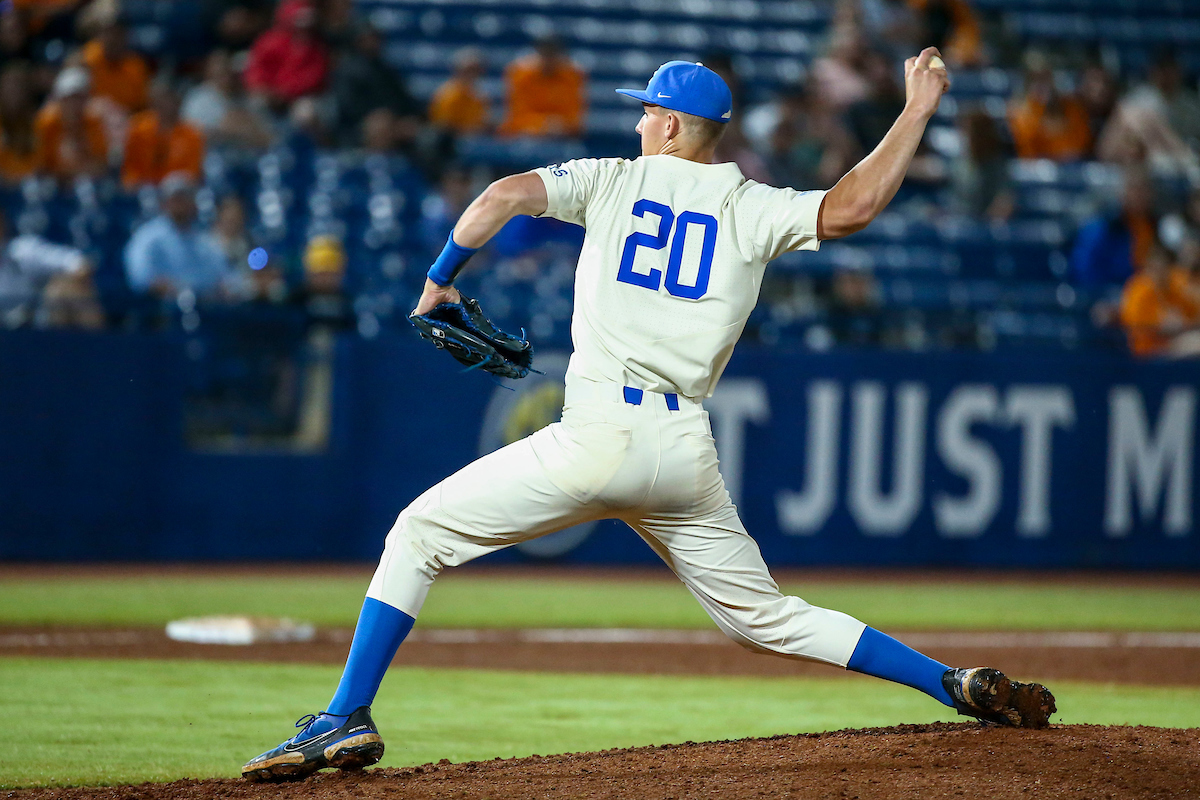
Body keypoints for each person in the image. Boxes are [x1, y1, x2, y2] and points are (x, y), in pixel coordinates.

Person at [241, 52, 1055, 783]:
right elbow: (851, 210)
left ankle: (345, 714)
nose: (635, 121)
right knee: (767, 618)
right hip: (683, 452)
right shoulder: (750, 203)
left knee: (417, 535)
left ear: (669, 125)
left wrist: (439, 280)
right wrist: (914, 111)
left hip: (597, 435)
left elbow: (499, 196)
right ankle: (948, 681)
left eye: (644, 111)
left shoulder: (613, 179)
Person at [124, 173, 234, 300]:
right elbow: (139, 277)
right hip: (162, 308)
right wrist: (168, 288)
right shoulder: (148, 237)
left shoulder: (203, 240)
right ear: (164, 203)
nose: (181, 204)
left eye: (185, 198)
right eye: (176, 199)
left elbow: (224, 275)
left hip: (204, 305)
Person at [331, 22, 422, 148]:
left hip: (392, 121)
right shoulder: (347, 71)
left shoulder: (386, 69)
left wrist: (405, 118)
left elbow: (403, 100)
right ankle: (375, 165)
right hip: (358, 126)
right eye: (367, 39)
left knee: (411, 127)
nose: (372, 42)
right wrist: (377, 115)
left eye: (375, 38)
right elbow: (347, 106)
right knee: (380, 126)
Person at [1071, 168, 1157, 288]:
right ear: (1121, 192)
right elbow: (1085, 271)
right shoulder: (1101, 229)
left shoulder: (1159, 227)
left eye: (1144, 189)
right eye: (1133, 188)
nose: (1139, 195)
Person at [243, 0, 331, 111]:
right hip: (267, 94)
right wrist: (263, 89)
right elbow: (255, 69)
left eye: (306, 25)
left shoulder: (317, 47)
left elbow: (313, 77)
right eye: (298, 23)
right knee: (255, 104)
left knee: (306, 111)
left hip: (300, 98)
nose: (302, 29)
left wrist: (285, 92)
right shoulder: (269, 41)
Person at [1118, 239, 1200, 358]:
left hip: (1174, 344)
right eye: (1155, 267)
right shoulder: (1138, 290)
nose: (1160, 272)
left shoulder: (1176, 284)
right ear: (1147, 267)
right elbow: (1134, 329)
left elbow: (1194, 317)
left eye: (1164, 267)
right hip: (1146, 351)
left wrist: (1183, 324)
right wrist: (1163, 326)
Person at [497, 35, 586, 138]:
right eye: (545, 54)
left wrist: (558, 125)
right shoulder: (520, 74)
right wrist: (544, 124)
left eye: (553, 54)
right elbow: (516, 115)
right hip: (522, 136)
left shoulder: (572, 76)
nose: (549, 59)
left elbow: (575, 118)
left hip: (561, 136)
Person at [121, 82, 205, 188]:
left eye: (168, 100)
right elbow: (129, 167)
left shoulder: (192, 133)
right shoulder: (138, 128)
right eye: (159, 101)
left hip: (176, 189)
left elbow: (193, 174)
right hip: (143, 187)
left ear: (177, 102)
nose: (164, 105)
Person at [33, 66, 108, 182]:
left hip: (85, 183)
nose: (74, 104)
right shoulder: (46, 123)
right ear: (59, 99)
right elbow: (39, 165)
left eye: (79, 98)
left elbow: (100, 165)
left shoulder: (93, 121)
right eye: (69, 98)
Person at [81, 21, 149, 114]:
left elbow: (141, 105)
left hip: (127, 120)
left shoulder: (135, 66)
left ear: (125, 38)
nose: (113, 40)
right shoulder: (89, 59)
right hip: (94, 119)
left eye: (117, 35)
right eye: (108, 34)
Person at [428, 47, 490, 135]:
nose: (472, 74)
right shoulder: (447, 94)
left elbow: (484, 122)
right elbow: (442, 126)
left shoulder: (481, 96)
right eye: (468, 70)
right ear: (457, 70)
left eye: (476, 70)